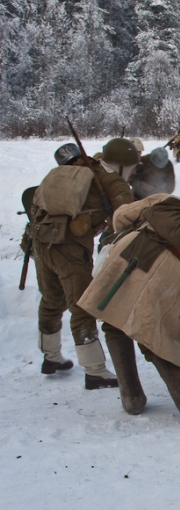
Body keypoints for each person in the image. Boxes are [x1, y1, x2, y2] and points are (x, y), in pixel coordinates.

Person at [78, 194, 180, 423]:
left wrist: (136, 235)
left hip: (127, 252)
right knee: (157, 336)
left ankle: (132, 398)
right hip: (164, 271)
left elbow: (120, 216)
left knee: (114, 323)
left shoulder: (172, 201)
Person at [30, 140, 136, 389]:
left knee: (52, 300)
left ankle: (51, 357)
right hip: (69, 247)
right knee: (82, 306)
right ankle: (95, 371)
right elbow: (130, 215)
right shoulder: (108, 179)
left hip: (41, 241)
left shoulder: (62, 174)